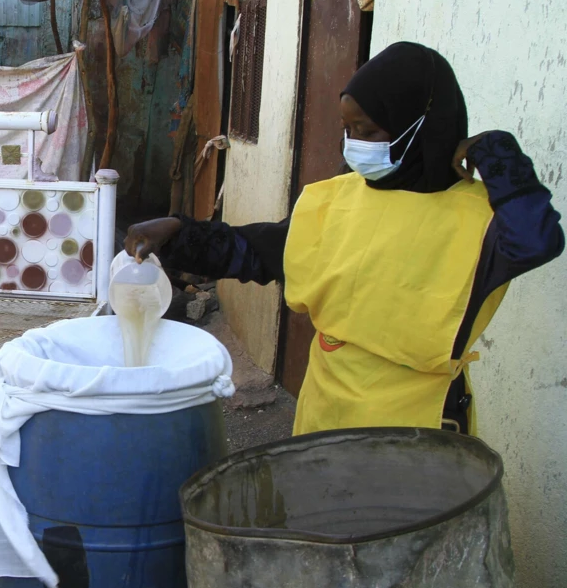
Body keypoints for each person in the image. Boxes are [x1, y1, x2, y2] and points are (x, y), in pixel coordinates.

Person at [126, 42, 563, 436]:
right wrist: (180, 233)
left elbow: (537, 239)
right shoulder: (336, 196)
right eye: (348, 129)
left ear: (426, 125)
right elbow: (259, 251)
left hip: (417, 426)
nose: (354, 145)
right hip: (326, 408)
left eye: (369, 132)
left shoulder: (479, 220)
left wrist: (498, 153)